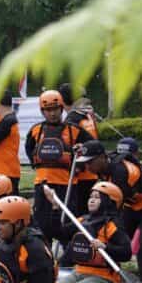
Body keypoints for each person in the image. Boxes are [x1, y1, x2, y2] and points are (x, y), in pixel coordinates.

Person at [83, 139, 142, 283]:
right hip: (132, 205)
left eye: (90, 162)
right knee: (119, 239)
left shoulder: (120, 171)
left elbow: (112, 206)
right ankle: (104, 274)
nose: (87, 166)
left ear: (102, 157)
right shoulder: (102, 167)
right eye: (85, 162)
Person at [26, 89, 92, 246]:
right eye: (48, 110)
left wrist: (80, 153)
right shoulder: (36, 131)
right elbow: (30, 150)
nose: (52, 113)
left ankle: (68, 258)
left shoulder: (74, 130)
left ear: (61, 109)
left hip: (66, 184)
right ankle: (45, 254)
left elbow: (92, 147)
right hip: (43, 183)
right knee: (42, 224)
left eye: (55, 109)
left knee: (67, 224)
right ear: (43, 111)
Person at [51, 181, 132, 283]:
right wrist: (55, 209)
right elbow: (59, 233)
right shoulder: (83, 220)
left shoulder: (112, 225)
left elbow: (126, 253)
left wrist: (105, 247)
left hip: (103, 279)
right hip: (79, 272)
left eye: (97, 197)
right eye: (91, 197)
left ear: (108, 202)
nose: (91, 200)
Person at [66, 95, 101, 215]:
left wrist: (77, 166)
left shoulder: (76, 117)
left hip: (83, 172)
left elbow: (70, 142)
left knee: (81, 208)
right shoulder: (85, 116)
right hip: (90, 169)